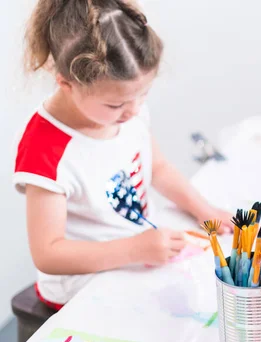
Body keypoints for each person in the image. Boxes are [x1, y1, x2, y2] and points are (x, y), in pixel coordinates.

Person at [13, 0, 233, 310]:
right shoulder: (46, 149)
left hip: (140, 252)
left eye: (143, 94)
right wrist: (133, 250)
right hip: (81, 287)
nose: (133, 110)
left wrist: (203, 209)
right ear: (66, 84)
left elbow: (158, 167)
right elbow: (48, 254)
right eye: (116, 105)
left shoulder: (127, 107)